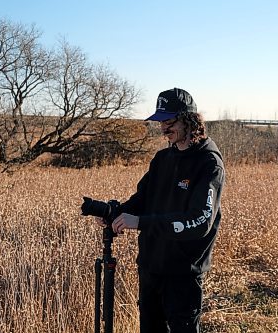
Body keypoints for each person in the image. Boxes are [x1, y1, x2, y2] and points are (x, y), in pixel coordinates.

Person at [94, 88, 225, 332]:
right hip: (151, 266)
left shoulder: (208, 163)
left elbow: (200, 220)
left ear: (189, 120)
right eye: (160, 121)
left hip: (183, 273)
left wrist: (140, 222)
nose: (163, 128)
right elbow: (142, 199)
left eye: (169, 121)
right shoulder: (163, 158)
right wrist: (115, 213)